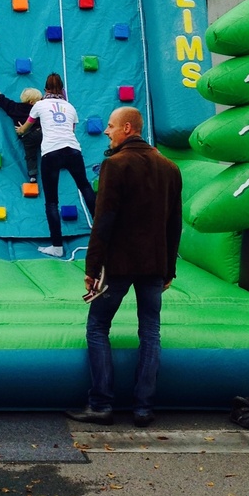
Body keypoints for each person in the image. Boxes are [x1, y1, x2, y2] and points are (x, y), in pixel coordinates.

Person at [66, 107, 182, 428]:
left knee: (97, 327)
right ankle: (143, 408)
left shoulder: (114, 165)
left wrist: (91, 268)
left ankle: (101, 403)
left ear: (127, 128)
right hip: (154, 265)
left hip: (118, 264)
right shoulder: (170, 168)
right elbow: (175, 225)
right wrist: (168, 269)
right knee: (150, 333)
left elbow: (103, 222)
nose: (107, 131)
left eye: (111, 126)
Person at [15, 73, 97, 257]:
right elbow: (71, 130)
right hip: (73, 151)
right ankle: (103, 237)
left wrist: (19, 130)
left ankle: (57, 246)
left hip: (51, 152)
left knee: (52, 201)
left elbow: (27, 126)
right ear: (62, 90)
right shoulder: (70, 106)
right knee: (85, 187)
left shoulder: (39, 105)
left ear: (45, 90)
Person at [0, 86, 43, 182]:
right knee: (50, 149)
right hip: (40, 132)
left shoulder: (15, 108)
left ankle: (32, 176)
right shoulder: (38, 109)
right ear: (32, 102)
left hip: (27, 137)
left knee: (30, 156)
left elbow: (5, 103)